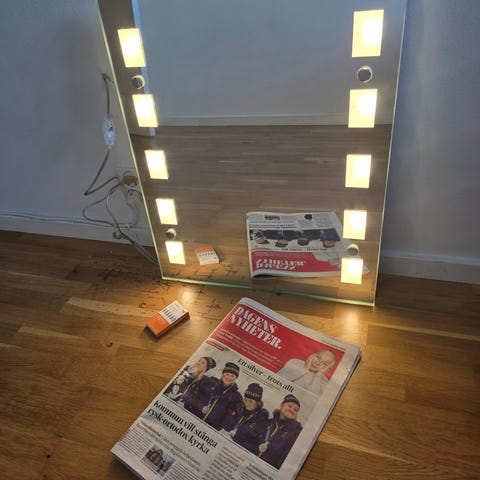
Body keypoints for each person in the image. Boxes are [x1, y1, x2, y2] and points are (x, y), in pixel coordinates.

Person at [221, 383, 269, 454]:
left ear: (257, 402)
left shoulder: (261, 418)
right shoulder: (238, 408)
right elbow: (225, 422)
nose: (247, 403)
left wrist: (236, 435)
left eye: (251, 401)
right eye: (246, 400)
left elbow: (253, 441)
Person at [258, 394, 303, 469]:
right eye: (289, 406)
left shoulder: (296, 433)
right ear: (281, 406)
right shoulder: (268, 422)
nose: (292, 410)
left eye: (296, 410)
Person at [202, 362, 243, 430]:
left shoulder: (237, 397)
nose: (229, 377)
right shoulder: (210, 382)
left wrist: (220, 428)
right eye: (227, 374)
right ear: (223, 374)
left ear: (235, 378)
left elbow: (232, 418)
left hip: (212, 428)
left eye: (232, 376)